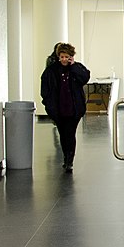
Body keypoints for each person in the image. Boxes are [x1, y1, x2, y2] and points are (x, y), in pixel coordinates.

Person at [40, 42, 90, 172]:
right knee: (63, 134)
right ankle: (65, 157)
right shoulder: (51, 71)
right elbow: (45, 89)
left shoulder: (77, 68)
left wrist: (73, 66)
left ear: (71, 57)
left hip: (74, 109)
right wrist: (48, 104)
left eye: (66, 57)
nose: (64, 59)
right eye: (62, 56)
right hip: (58, 108)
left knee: (70, 133)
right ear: (58, 56)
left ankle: (69, 160)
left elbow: (84, 78)